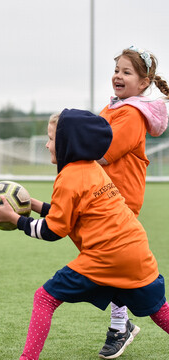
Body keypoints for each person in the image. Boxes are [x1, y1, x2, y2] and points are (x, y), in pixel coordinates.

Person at [0, 109, 169, 360]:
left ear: (68, 143)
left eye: (51, 139)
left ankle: (27, 358)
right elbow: (74, 214)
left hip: (106, 256)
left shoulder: (68, 177)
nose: (47, 144)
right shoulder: (93, 169)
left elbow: (53, 230)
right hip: (136, 251)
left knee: (45, 298)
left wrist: (17, 220)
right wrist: (36, 205)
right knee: (158, 310)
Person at [96, 46, 169, 358]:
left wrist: (70, 145)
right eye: (117, 70)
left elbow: (103, 152)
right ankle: (120, 323)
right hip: (104, 199)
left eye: (127, 72)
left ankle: (120, 324)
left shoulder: (131, 114)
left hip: (121, 201)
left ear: (144, 82)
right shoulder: (112, 109)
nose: (118, 76)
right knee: (112, 263)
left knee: (118, 264)